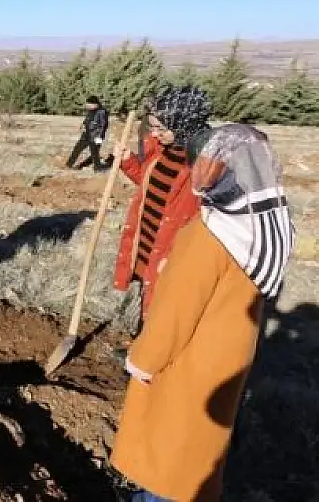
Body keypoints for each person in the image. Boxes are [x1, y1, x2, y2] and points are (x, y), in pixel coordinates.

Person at [110, 122, 295, 502]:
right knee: (198, 459)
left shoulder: (210, 234)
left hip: (189, 366)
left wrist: (142, 361)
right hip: (226, 362)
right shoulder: (264, 226)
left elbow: (175, 315)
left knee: (165, 467)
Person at [112, 86, 212, 347]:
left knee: (166, 307)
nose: (154, 133)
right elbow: (149, 185)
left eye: (161, 128)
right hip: (147, 238)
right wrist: (128, 161)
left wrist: (182, 255)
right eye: (153, 127)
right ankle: (141, 347)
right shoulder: (161, 149)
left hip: (173, 249)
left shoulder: (206, 165)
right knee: (148, 297)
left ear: (184, 123)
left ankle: (154, 361)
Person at [66, 95, 110, 171]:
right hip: (86, 135)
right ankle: (69, 164)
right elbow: (87, 119)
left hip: (96, 136)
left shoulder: (102, 111)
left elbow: (103, 125)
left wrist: (99, 137)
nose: (87, 105)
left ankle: (97, 168)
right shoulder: (90, 110)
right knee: (77, 149)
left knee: (95, 152)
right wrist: (83, 124)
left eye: (89, 104)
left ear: (95, 104)